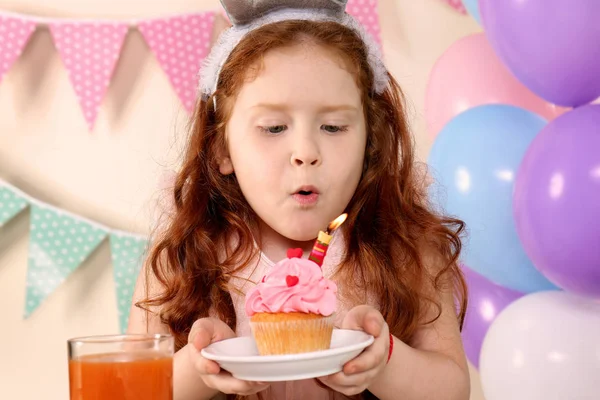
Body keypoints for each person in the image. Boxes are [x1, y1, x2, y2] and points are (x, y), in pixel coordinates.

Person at [128, 1, 470, 399]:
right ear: (221, 148)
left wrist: (384, 358)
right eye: (274, 127)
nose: (305, 151)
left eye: (333, 126)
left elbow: (452, 389)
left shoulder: (407, 249)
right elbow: (130, 391)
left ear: (371, 140)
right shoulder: (182, 258)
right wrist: (197, 366)